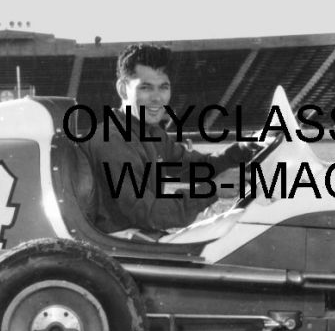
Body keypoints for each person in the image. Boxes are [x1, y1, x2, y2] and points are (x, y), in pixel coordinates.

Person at [83, 43, 257, 238]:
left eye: (163, 87)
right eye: (146, 88)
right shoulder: (112, 140)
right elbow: (152, 213)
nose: (157, 98)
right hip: (118, 245)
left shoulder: (150, 132)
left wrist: (245, 147)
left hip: (140, 236)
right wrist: (213, 189)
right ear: (123, 89)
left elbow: (198, 167)